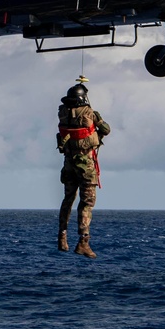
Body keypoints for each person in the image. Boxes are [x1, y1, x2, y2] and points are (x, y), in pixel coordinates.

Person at [57, 77, 110, 258]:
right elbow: (106, 129)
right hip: (86, 165)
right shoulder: (91, 113)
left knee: (68, 200)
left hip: (69, 163)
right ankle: (83, 242)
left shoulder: (62, 112)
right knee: (86, 203)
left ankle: (62, 237)